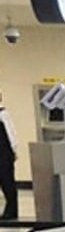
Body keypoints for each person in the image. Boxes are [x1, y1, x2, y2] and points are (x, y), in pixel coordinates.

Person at [0, 91, 17, 220]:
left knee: (7, 182)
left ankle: (12, 210)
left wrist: (14, 149)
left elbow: (11, 133)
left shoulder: (3, 114)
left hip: (4, 153)